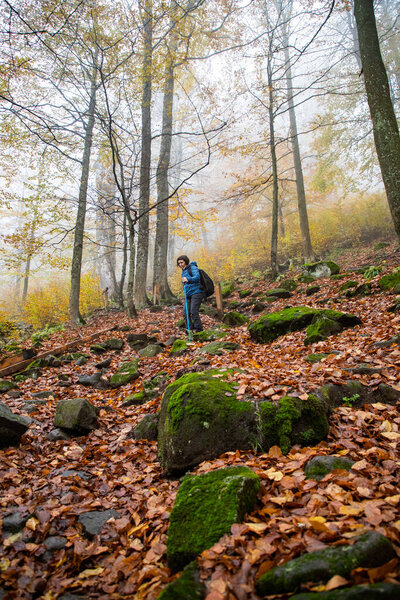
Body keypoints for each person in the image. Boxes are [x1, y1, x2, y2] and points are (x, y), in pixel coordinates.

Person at [177, 255, 204, 333]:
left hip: (196, 292)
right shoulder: (183, 271)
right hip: (188, 294)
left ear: (186, 261)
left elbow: (197, 277)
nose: (180, 264)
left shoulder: (193, 267)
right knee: (185, 313)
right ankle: (189, 330)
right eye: (179, 263)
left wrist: (188, 279)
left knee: (193, 311)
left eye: (182, 262)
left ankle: (199, 331)